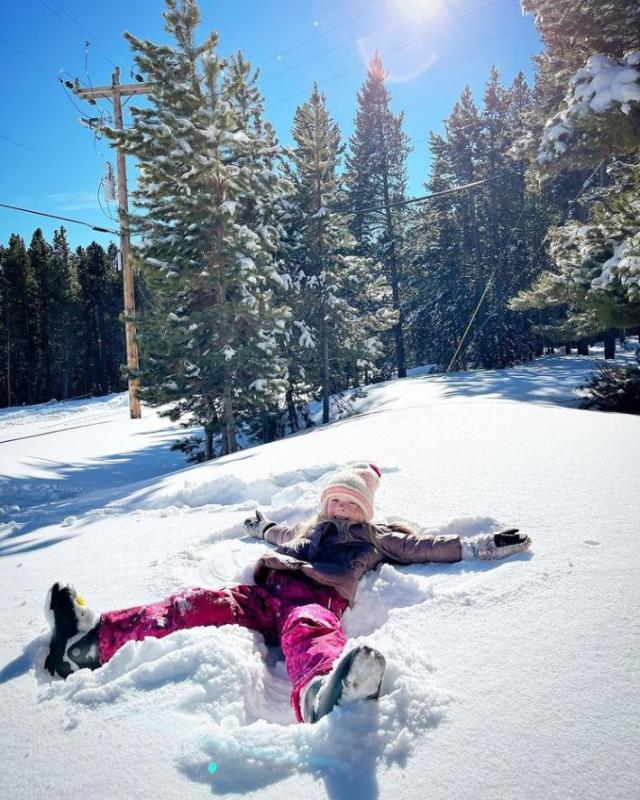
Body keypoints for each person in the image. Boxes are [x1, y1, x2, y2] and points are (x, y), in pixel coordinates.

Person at [44, 463, 531, 723]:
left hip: (316, 600)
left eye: (349, 501)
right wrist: (261, 526)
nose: (339, 507)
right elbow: (279, 537)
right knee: (196, 602)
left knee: (309, 630)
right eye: (333, 499)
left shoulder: (377, 536)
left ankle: (321, 691)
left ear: (365, 508)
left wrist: (480, 545)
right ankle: (94, 638)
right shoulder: (308, 529)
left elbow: (425, 547)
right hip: (267, 590)